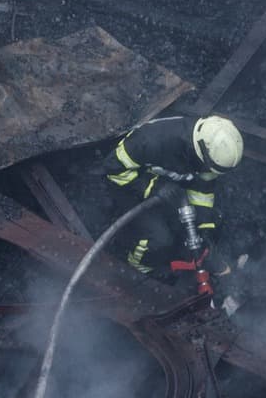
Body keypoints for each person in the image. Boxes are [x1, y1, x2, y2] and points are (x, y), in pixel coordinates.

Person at [102, 114, 244, 291]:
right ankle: (138, 270)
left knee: (212, 221)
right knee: (160, 239)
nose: (208, 171)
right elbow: (112, 167)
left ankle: (173, 259)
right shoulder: (151, 140)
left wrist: (203, 228)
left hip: (170, 189)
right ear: (200, 151)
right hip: (127, 184)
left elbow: (203, 190)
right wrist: (154, 187)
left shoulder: (209, 153)